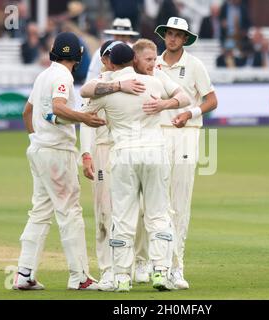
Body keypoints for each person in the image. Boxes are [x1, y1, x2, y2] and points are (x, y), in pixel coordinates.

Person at [79, 38, 190, 289]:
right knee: (158, 214)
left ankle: (120, 277)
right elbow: (185, 98)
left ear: (112, 64)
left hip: (124, 155)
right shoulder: (154, 81)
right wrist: (164, 104)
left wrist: (114, 86)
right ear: (133, 60)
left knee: (123, 216)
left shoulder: (107, 87)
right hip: (155, 153)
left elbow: (85, 97)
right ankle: (160, 271)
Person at [13, 32, 106, 291]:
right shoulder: (63, 76)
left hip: (39, 150)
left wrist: (36, 138)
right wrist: (84, 118)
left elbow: (27, 112)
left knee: (40, 212)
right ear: (78, 56)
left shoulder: (43, 75)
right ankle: (80, 277)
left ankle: (24, 273)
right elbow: (58, 107)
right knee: (70, 212)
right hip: (57, 152)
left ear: (55, 52)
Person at [154, 17, 218, 289]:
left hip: (185, 135)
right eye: (169, 34)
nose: (172, 39)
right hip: (156, 134)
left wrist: (189, 112)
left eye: (178, 35)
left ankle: (176, 268)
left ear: (185, 39)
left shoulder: (195, 65)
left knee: (180, 202)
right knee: (156, 204)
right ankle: (152, 264)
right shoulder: (152, 64)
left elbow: (212, 100)